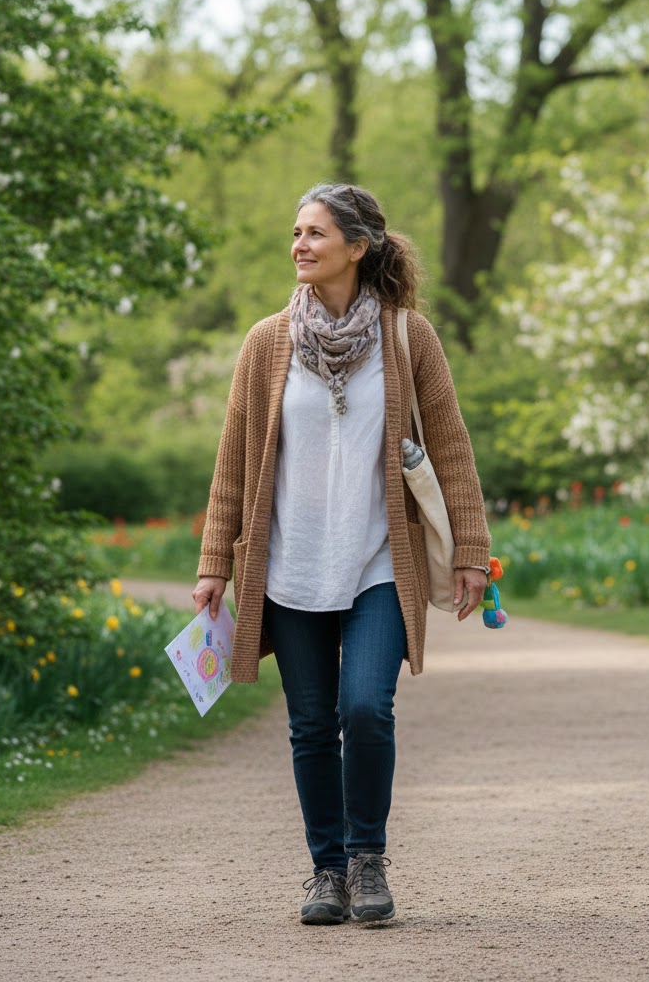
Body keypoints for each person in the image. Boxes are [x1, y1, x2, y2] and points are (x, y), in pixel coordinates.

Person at [192, 183, 491, 925]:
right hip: (289, 565)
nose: (299, 244)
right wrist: (213, 567)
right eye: (295, 232)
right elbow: (233, 464)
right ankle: (326, 872)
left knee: (367, 708)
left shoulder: (407, 338)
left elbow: (451, 449)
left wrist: (472, 553)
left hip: (378, 563)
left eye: (316, 233)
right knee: (310, 724)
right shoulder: (267, 343)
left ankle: (366, 858)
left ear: (358, 247)